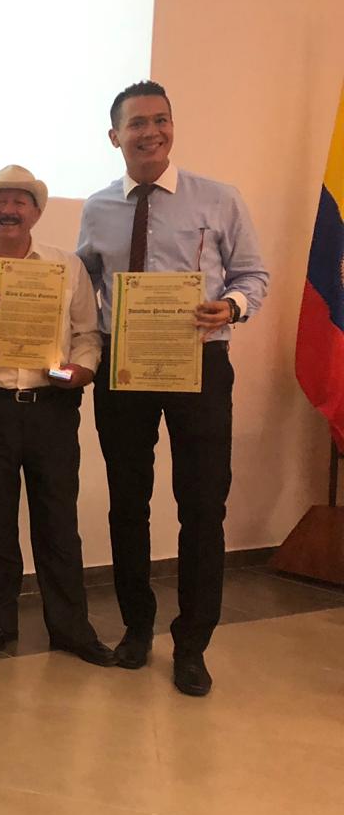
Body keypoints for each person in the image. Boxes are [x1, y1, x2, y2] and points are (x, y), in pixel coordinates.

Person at [77, 81, 269, 696]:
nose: (151, 132)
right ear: (115, 136)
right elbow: (83, 285)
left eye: (161, 120)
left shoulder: (219, 198)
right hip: (123, 368)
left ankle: (192, 644)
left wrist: (231, 307)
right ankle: (137, 629)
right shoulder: (97, 207)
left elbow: (253, 275)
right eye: (137, 123)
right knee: (127, 502)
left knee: (203, 505)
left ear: (172, 128)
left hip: (200, 364)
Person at [0, 165, 115, 667]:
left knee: (58, 520)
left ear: (37, 213)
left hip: (52, 407)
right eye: (0, 201)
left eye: (20, 202)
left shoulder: (67, 267)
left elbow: (87, 334)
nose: (9, 210)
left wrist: (83, 370)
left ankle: (71, 628)